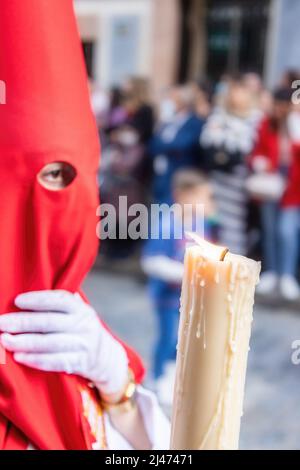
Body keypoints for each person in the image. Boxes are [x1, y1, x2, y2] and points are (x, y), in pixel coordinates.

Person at [0, 0, 169, 450]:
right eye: (28, 175)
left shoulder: (72, 326)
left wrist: (117, 385)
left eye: (62, 174)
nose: (46, 194)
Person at [141, 170, 217, 404]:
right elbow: (151, 261)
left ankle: (174, 375)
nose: (206, 203)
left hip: (190, 297)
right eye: (201, 197)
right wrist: (184, 273)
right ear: (182, 195)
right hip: (167, 297)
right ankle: (157, 376)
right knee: (168, 337)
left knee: (184, 339)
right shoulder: (168, 223)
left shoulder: (200, 222)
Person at [250, 88, 300, 301]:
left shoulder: (295, 125)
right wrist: (259, 162)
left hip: (294, 185)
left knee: (286, 231)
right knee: (269, 230)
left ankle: (287, 274)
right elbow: (257, 150)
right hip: (269, 182)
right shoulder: (265, 124)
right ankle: (271, 271)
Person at [201, 81, 260, 255]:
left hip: (236, 177)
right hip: (216, 175)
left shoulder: (255, 118)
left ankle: (235, 259)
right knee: (213, 215)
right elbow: (208, 138)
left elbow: (247, 144)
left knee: (234, 220)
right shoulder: (219, 114)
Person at [149, 85, 205, 204]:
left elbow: (181, 145)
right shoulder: (168, 121)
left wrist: (163, 144)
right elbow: (153, 145)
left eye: (172, 99)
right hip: (160, 176)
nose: (169, 102)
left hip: (177, 176)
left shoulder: (194, 122)